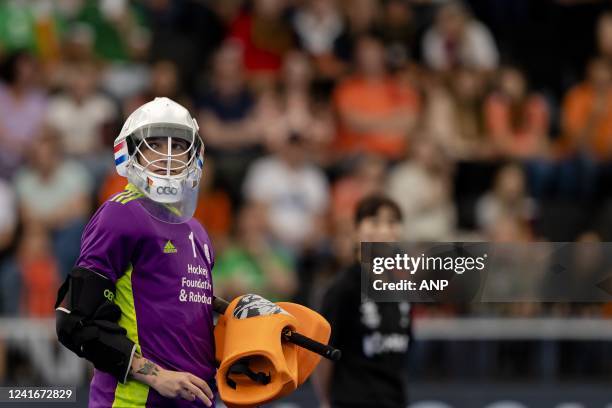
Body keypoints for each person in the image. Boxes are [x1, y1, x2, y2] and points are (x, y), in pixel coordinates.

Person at [55, 97, 215, 407]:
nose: (167, 156)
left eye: (178, 146)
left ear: (194, 155)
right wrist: (155, 375)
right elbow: (74, 320)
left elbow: (182, 315)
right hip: (132, 401)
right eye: (155, 143)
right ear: (129, 153)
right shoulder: (121, 215)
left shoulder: (197, 230)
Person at [313, 195, 412, 408]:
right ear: (357, 231)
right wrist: (325, 400)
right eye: (374, 222)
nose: (384, 230)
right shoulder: (343, 287)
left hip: (393, 399)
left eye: (392, 222)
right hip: (352, 399)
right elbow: (322, 351)